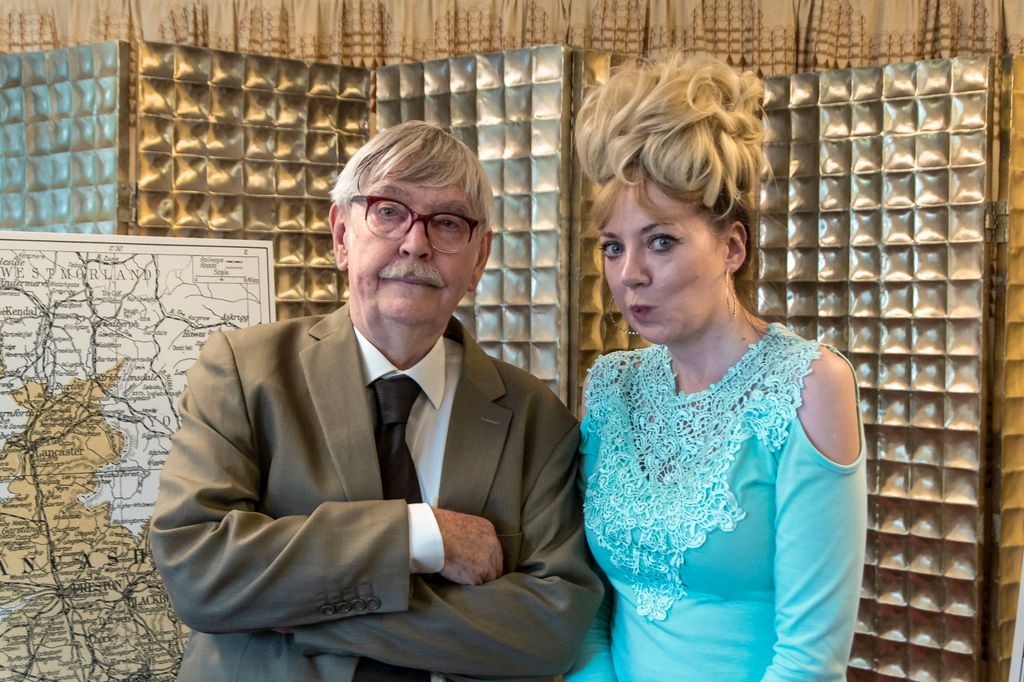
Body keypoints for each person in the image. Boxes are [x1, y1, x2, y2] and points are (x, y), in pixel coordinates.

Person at [150, 120, 602, 681]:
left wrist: (301, 609)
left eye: (447, 222)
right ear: (342, 236)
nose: (416, 242)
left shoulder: (537, 417)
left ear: (479, 258)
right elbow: (199, 571)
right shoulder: (244, 373)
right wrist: (423, 536)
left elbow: (547, 632)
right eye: (389, 211)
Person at [566, 56, 867, 681]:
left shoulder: (811, 386)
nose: (630, 276)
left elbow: (810, 662)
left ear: (732, 246)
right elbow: (589, 608)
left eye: (661, 241)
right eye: (613, 247)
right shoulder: (610, 387)